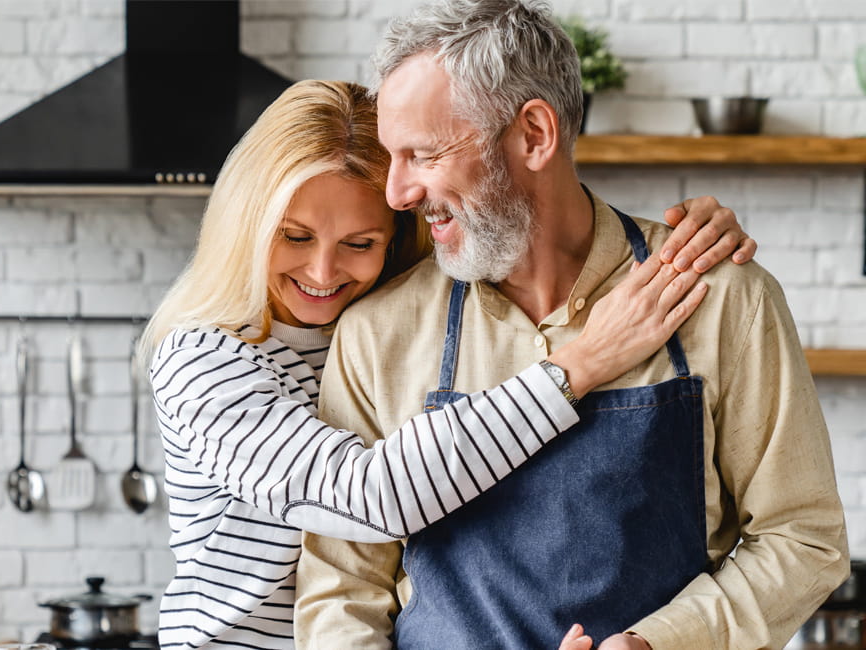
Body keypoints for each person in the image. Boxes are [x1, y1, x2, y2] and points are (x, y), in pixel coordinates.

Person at [293, 2, 850, 650]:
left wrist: (662, 643)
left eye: (423, 154)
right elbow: (342, 591)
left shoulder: (724, 300)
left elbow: (802, 538)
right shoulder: (379, 332)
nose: (397, 193)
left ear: (534, 134)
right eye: (393, 157)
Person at [142, 78, 759, 650]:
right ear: (246, 224)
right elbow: (371, 500)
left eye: (359, 243)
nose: (324, 273)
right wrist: (584, 361)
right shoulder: (206, 359)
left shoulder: (371, 325)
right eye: (295, 236)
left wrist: (682, 236)